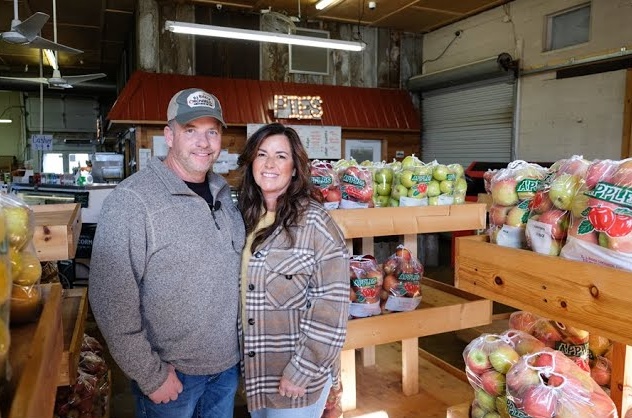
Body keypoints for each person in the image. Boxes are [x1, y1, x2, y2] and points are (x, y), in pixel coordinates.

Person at [88, 88, 245, 418]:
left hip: (226, 371)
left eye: (212, 132)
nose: (203, 142)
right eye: (191, 130)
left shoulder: (222, 193)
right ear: (169, 136)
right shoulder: (132, 201)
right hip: (171, 378)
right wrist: (150, 375)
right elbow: (110, 299)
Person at [237, 123, 350, 418]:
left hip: (296, 380)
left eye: (281, 156)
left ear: (296, 168)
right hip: (256, 375)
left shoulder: (316, 223)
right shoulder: (244, 219)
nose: (269, 164)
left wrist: (302, 370)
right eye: (262, 154)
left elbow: (332, 307)